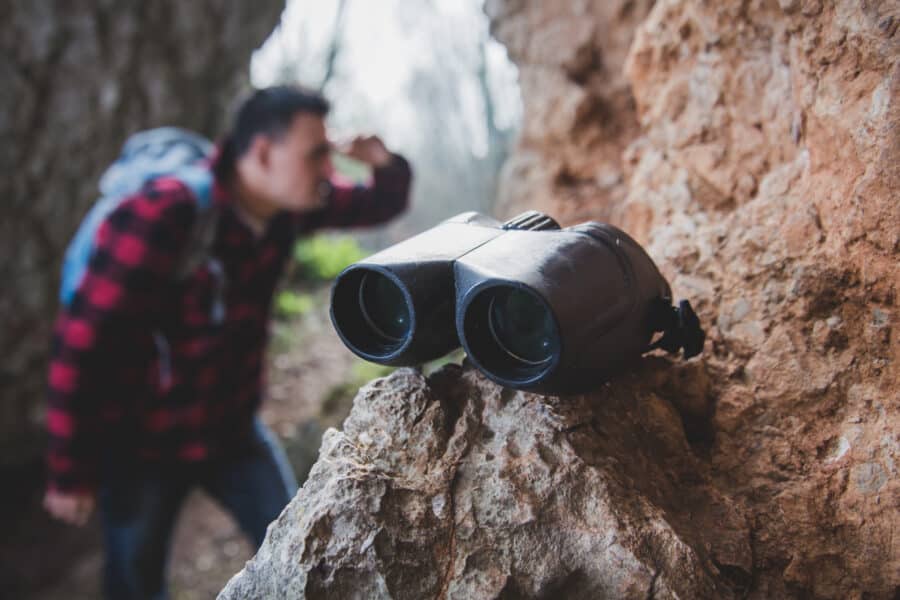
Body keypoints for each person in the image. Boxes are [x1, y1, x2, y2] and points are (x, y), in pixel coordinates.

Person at [42, 85, 412, 599]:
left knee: (302, 550)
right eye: (315, 154)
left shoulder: (284, 208)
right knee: (134, 581)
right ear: (261, 153)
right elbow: (85, 343)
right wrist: (69, 469)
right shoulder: (162, 214)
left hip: (231, 427)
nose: (328, 169)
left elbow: (380, 202)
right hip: (141, 442)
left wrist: (382, 161)